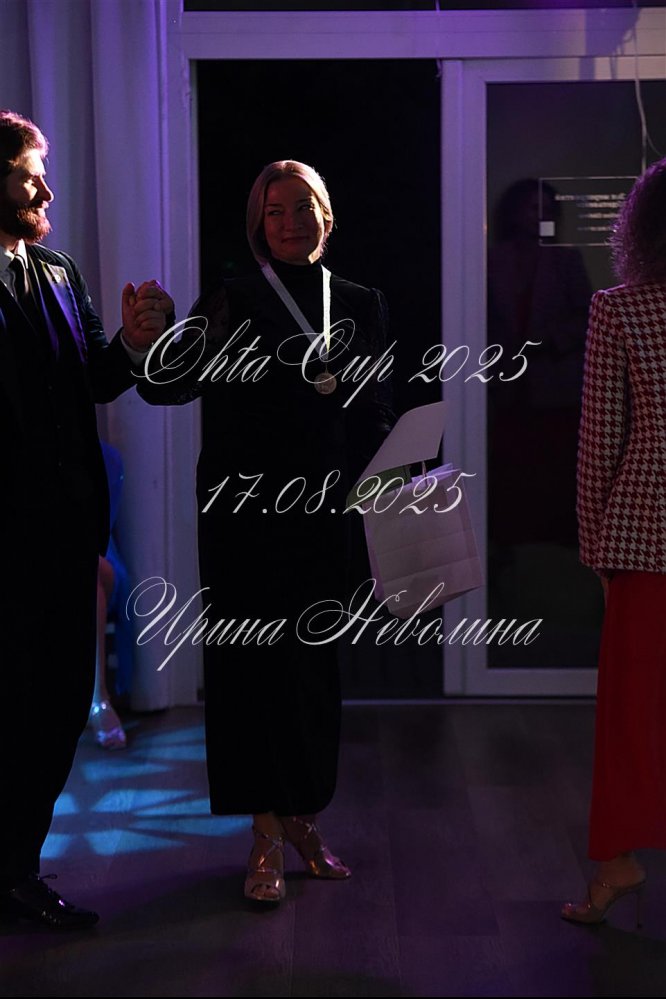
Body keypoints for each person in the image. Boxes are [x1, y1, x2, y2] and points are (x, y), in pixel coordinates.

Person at [138, 160, 394, 904]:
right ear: (259, 225)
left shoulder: (360, 302)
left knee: (311, 673)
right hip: (243, 517)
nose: (290, 222)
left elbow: (376, 408)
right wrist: (151, 337)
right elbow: (164, 386)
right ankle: (263, 835)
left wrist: (391, 463)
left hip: (324, 514)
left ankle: (303, 818)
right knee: (249, 673)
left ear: (326, 215)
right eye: (274, 211)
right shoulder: (234, 298)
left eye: (302, 206)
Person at [0, 110, 172, 928]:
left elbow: (98, 378)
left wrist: (134, 342)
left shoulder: (60, 272)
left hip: (67, 535)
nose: (46, 191)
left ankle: (15, 869)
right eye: (29, 176)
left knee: (61, 706)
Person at [561, 158, 666, 927]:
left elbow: (600, 441)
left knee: (634, 712)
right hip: (643, 539)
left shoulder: (620, 308)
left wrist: (595, 547)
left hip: (645, 535)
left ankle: (619, 864)